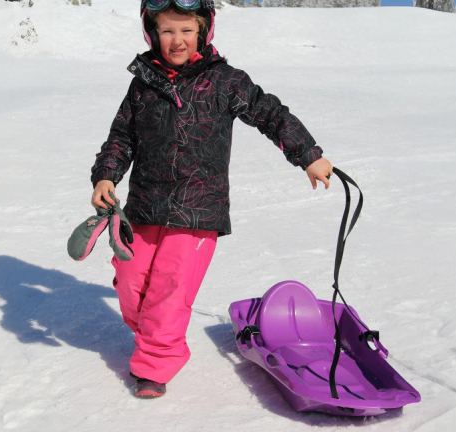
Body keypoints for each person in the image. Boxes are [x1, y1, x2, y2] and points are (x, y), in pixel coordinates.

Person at [90, 0, 333, 399]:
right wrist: (105, 175)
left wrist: (308, 155)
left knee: (169, 290)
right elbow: (121, 137)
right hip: (146, 205)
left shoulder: (224, 80)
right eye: (167, 31)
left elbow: (269, 114)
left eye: (186, 30)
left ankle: (154, 365)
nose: (177, 40)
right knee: (131, 283)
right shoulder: (143, 83)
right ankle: (155, 336)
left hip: (199, 209)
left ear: (203, 30)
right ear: (152, 33)